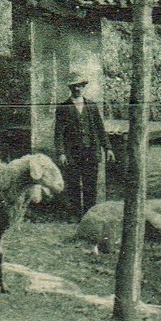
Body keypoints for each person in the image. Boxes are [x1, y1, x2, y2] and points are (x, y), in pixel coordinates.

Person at [54, 69, 110, 218]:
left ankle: (89, 214)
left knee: (90, 184)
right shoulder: (63, 108)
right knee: (73, 184)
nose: (77, 89)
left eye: (80, 86)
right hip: (72, 153)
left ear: (84, 87)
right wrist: (61, 153)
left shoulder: (91, 106)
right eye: (74, 86)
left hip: (90, 151)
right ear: (70, 88)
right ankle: (76, 214)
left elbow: (100, 128)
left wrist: (108, 148)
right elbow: (58, 132)